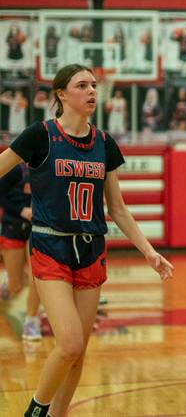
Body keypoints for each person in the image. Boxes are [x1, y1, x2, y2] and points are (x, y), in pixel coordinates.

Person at [0, 64, 173, 417]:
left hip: (91, 250)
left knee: (79, 354)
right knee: (69, 343)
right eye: (82, 85)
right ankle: (35, 411)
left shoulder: (105, 144)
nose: (92, 91)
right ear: (62, 94)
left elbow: (119, 210)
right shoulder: (40, 135)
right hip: (51, 247)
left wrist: (150, 252)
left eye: (94, 85)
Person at [0, 163, 43, 340]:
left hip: (38, 228)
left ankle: (31, 321)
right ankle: (9, 285)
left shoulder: (51, 167)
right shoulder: (16, 169)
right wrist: (20, 210)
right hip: (13, 226)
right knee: (15, 286)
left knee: (38, 276)